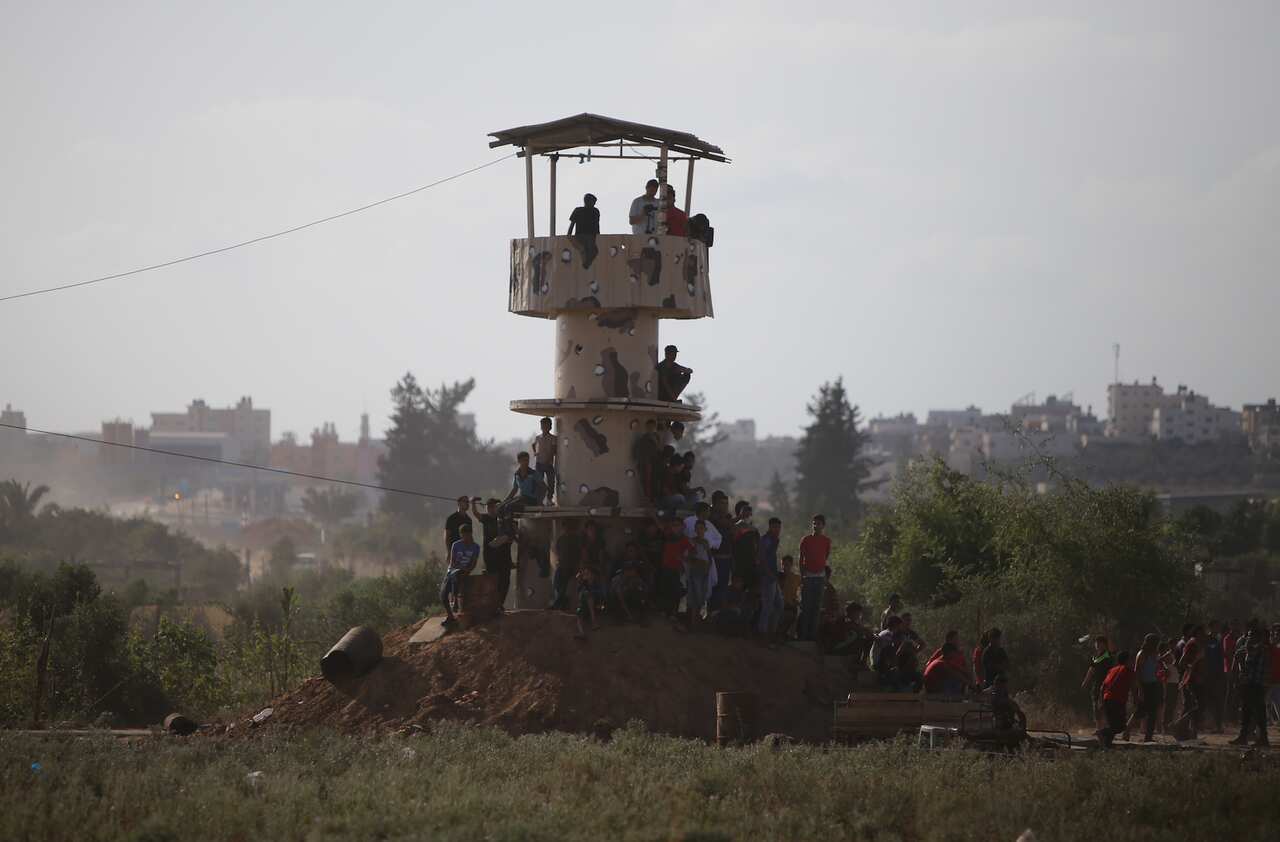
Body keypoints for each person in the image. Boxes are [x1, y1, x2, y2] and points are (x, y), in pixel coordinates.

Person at [1230, 625, 1271, 747]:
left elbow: (1251, 661)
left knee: (1259, 713)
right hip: (1249, 685)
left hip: (1256, 685)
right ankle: (1244, 737)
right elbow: (1240, 656)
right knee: (1246, 712)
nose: (1249, 638)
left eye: (1251, 636)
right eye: (1248, 635)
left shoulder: (1261, 649)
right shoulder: (1249, 649)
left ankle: (1262, 738)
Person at [797, 515, 831, 642]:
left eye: (819, 524)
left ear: (823, 526)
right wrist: (802, 576)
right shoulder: (806, 540)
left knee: (816, 609)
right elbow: (801, 559)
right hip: (808, 577)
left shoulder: (826, 541)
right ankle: (803, 636)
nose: (816, 526)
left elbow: (825, 556)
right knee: (806, 607)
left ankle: (812, 637)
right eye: (814, 523)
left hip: (820, 577)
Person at [440, 522, 480, 626]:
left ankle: (455, 602)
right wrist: (459, 568)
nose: (465, 538)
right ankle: (450, 616)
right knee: (443, 595)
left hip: (464, 571)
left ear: (471, 534)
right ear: (461, 535)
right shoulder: (456, 545)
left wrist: (467, 571)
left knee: (458, 577)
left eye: (467, 535)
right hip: (452, 570)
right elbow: (452, 562)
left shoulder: (475, 547)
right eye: (463, 535)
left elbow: (473, 563)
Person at [479, 498, 515, 609]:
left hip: (504, 557)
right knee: (493, 582)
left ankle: (499, 604)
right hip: (491, 557)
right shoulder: (487, 519)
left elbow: (512, 534)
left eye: (493, 507)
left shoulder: (506, 519)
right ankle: (492, 605)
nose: (491, 509)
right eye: (489, 507)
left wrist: (509, 538)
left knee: (504, 582)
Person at [1097, 650, 1136, 748]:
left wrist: (1101, 701)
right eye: (1131, 659)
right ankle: (1102, 733)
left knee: (1113, 725)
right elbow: (1132, 686)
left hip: (1107, 699)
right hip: (1117, 700)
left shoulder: (1113, 670)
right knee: (1120, 726)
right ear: (1127, 660)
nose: (1132, 661)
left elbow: (1103, 686)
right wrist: (1136, 698)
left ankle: (1106, 746)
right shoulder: (1128, 670)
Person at [657, 517, 691, 617]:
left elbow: (692, 553)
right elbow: (661, 527)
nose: (675, 528)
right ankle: (666, 611)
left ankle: (674, 612)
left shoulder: (685, 540)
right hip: (666, 567)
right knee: (665, 589)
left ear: (683, 527)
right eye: (673, 525)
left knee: (675, 591)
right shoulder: (669, 536)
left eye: (677, 525)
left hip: (677, 569)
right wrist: (653, 515)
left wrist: (683, 560)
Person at [756, 517, 783, 640]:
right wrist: (769, 574)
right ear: (770, 527)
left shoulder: (774, 539)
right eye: (775, 527)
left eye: (779, 527)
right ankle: (763, 635)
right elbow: (761, 559)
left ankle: (771, 632)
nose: (777, 530)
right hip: (768, 577)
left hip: (773, 577)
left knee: (778, 604)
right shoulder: (766, 540)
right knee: (767, 606)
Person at [685, 520, 715, 631]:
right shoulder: (692, 541)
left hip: (704, 572)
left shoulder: (706, 542)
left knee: (700, 597)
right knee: (696, 597)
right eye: (697, 528)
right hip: (695, 571)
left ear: (705, 530)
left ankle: (696, 623)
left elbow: (709, 557)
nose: (699, 530)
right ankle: (694, 623)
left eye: (701, 528)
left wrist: (708, 568)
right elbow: (689, 557)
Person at [1081, 635, 1115, 731]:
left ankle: (1104, 728)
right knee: (1096, 706)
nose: (1097, 645)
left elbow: (1095, 668)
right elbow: (1091, 669)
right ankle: (1099, 728)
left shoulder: (1107, 655)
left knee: (1104, 706)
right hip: (1097, 684)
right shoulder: (1095, 657)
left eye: (1100, 643)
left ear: (1104, 644)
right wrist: (1085, 682)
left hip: (1106, 684)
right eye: (1096, 643)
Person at [1134, 633, 1163, 743]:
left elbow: (1155, 669)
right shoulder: (1142, 654)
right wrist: (1140, 689)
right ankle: (1127, 729)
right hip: (1144, 685)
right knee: (1140, 710)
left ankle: (1148, 736)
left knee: (1152, 712)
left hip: (1153, 684)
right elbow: (1137, 672)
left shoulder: (1154, 654)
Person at [499, 452, 546, 518]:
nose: (526, 462)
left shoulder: (533, 474)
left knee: (509, 507)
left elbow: (544, 487)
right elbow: (514, 489)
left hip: (531, 500)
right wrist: (505, 501)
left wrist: (540, 501)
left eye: (527, 460)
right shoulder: (517, 474)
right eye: (524, 460)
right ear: (519, 461)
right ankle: (504, 526)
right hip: (521, 498)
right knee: (501, 507)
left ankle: (510, 526)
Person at [550, 519, 583, 610]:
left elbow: (579, 552)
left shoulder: (575, 538)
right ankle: (562, 601)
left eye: (567, 527)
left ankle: (556, 604)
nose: (566, 529)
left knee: (563, 584)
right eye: (564, 527)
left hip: (571, 566)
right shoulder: (561, 539)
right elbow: (557, 550)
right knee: (556, 583)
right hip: (561, 565)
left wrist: (578, 565)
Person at [731, 504, 761, 593]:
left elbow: (758, 545)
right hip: (739, 563)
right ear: (740, 514)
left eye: (748, 514)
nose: (747, 516)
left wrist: (757, 559)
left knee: (752, 588)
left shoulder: (754, 529)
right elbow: (733, 542)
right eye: (745, 514)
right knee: (738, 588)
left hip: (751, 563)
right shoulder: (735, 527)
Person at [567, 193, 600, 269]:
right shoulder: (579, 210)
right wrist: (569, 234)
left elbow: (597, 224)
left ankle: (586, 263)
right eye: (593, 202)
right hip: (582, 235)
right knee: (589, 249)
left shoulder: (595, 211)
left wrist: (598, 235)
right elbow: (572, 223)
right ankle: (586, 263)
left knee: (593, 251)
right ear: (587, 201)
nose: (594, 204)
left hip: (590, 235)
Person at [1204, 620, 1226, 733]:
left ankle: (1217, 725)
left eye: (1218, 626)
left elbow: (1221, 657)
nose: (1217, 628)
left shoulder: (1219, 640)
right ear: (1210, 627)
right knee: (1208, 700)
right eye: (1216, 626)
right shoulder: (1206, 640)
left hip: (1217, 674)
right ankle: (1208, 724)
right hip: (1207, 674)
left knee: (1218, 701)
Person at [632, 419, 662, 501]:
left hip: (655, 461)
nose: (650, 428)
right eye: (649, 427)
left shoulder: (657, 436)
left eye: (652, 427)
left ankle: (654, 497)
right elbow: (639, 450)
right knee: (647, 480)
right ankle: (648, 497)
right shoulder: (644, 438)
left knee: (655, 480)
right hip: (646, 462)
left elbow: (659, 448)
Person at [531, 417, 558, 505]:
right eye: (543, 425)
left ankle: (549, 499)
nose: (544, 427)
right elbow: (533, 445)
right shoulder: (538, 438)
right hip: (539, 463)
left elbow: (553, 450)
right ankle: (539, 500)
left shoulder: (553, 438)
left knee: (551, 482)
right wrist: (535, 453)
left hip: (548, 464)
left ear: (550, 427)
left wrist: (549, 459)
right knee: (539, 483)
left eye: (547, 425)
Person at [574, 565, 600, 640]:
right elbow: (579, 596)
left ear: (593, 575)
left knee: (589, 597)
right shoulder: (583, 585)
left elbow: (601, 593)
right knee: (578, 613)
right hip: (583, 607)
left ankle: (594, 622)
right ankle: (582, 632)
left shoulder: (596, 583)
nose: (585, 575)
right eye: (585, 574)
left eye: (588, 573)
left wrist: (591, 592)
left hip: (597, 605)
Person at [779, 555, 801, 640]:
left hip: (791, 605)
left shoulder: (796, 578)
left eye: (787, 565)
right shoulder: (779, 576)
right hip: (780, 604)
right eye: (783, 565)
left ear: (791, 565)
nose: (784, 567)